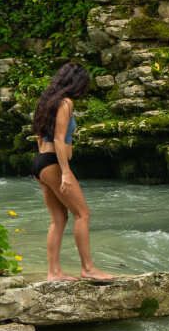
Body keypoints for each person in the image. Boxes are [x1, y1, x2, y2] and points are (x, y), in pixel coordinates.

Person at [30, 63, 116, 281]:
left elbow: (41, 137)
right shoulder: (66, 102)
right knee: (83, 214)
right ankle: (88, 268)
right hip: (53, 163)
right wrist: (66, 172)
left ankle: (54, 273)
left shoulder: (47, 102)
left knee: (58, 219)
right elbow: (59, 139)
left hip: (41, 162)